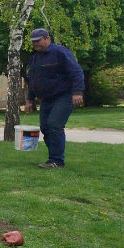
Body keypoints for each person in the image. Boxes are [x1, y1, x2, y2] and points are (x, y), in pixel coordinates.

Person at [24, 28, 84, 169]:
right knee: (45, 128)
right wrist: (29, 99)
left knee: (55, 125)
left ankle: (57, 161)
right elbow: (32, 80)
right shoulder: (34, 57)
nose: (35, 44)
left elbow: (77, 72)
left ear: (47, 38)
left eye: (38, 40)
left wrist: (77, 92)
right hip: (46, 99)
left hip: (64, 95)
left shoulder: (60, 52)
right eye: (33, 41)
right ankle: (53, 159)